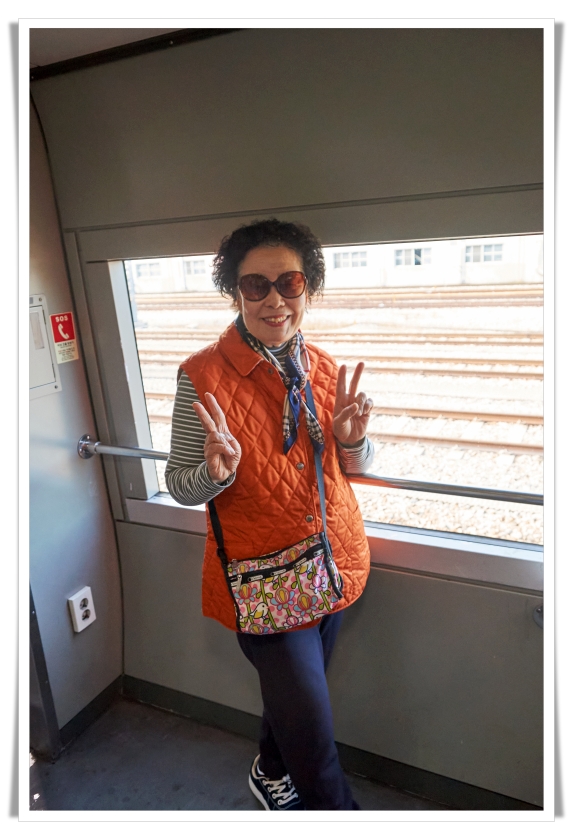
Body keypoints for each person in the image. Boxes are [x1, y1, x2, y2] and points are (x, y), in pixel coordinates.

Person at [165, 218, 374, 810]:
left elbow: (352, 468)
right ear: (235, 292)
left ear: (308, 288)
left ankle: (270, 769)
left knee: (294, 706)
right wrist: (216, 473)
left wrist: (354, 441)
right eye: (256, 285)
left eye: (290, 283)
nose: (275, 300)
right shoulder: (201, 375)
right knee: (315, 741)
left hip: (333, 563)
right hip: (265, 581)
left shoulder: (325, 369)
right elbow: (180, 485)